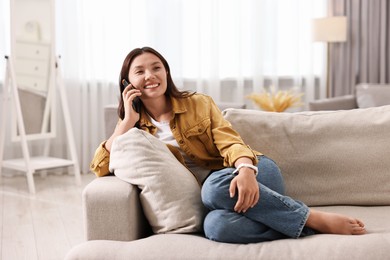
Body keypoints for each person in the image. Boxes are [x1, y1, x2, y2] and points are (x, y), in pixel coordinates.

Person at [90, 46, 366, 243]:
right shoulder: (135, 130)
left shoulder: (197, 103)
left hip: (252, 174)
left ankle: (313, 218)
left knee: (212, 188)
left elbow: (229, 140)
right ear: (128, 82)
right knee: (216, 227)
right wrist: (126, 122)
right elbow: (100, 167)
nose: (150, 75)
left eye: (156, 67)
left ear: (166, 73)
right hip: (219, 201)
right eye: (140, 71)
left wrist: (246, 170)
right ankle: (301, 222)